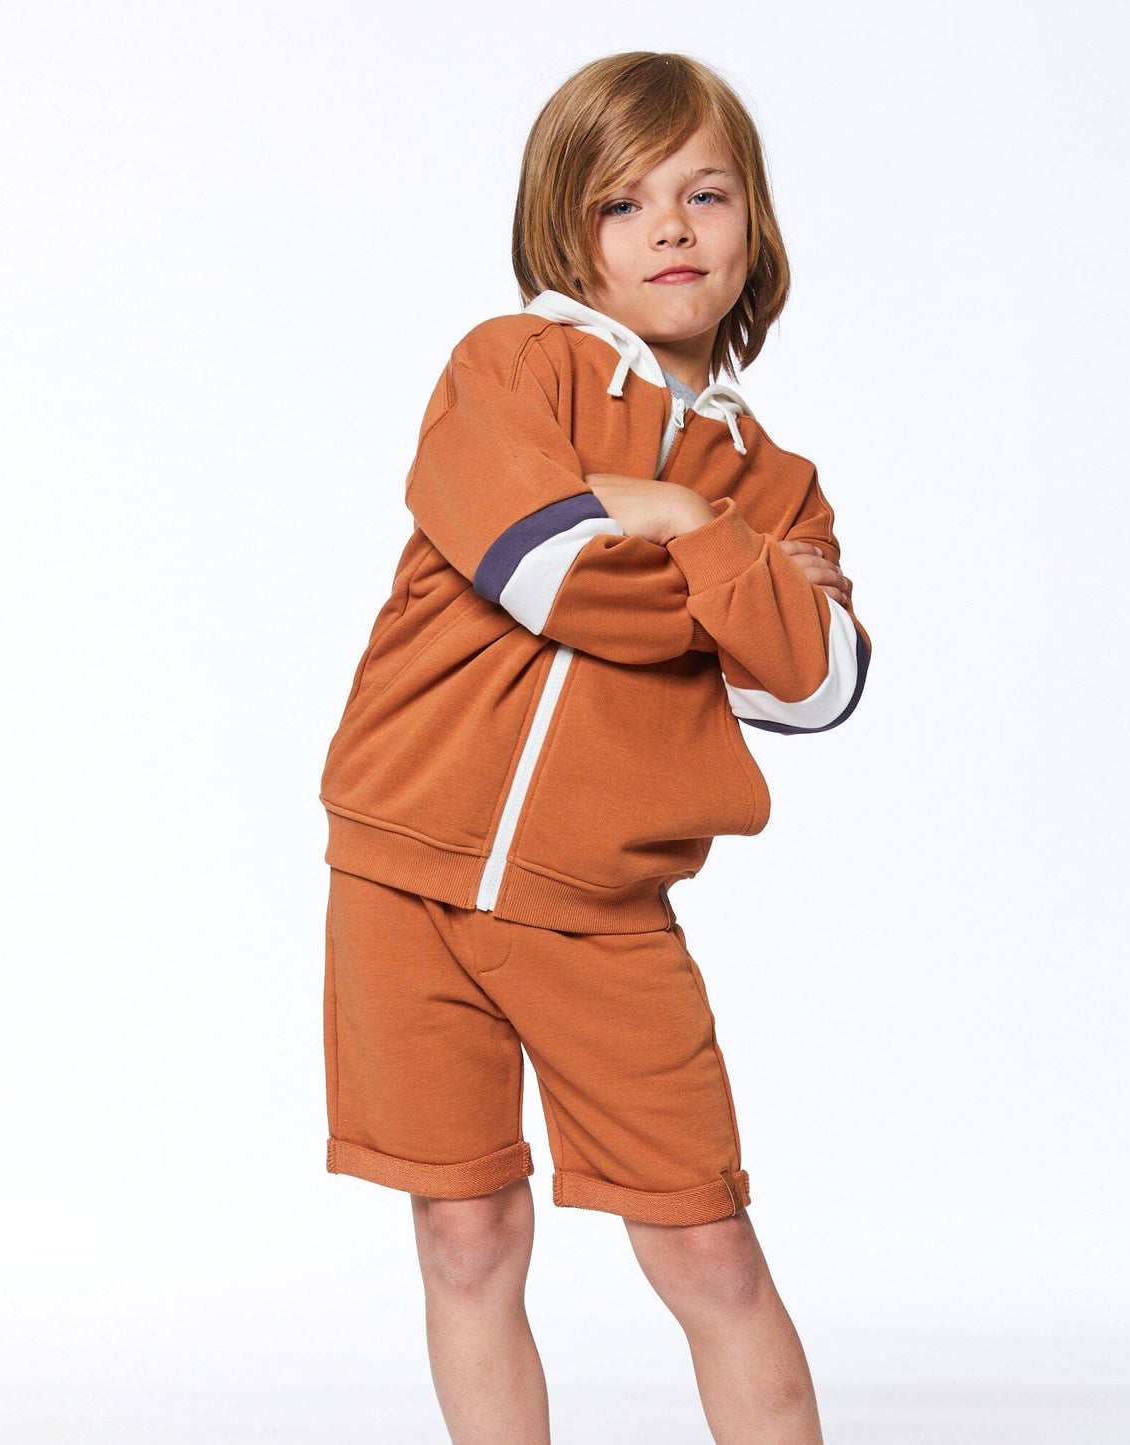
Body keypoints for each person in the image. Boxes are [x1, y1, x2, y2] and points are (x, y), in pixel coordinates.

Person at [318, 50, 872, 1445]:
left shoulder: (772, 483)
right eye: (624, 203)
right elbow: (543, 569)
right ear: (568, 233)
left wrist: (689, 521)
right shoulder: (507, 366)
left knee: (707, 1248)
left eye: (704, 194)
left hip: (603, 913)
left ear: (753, 223)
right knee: (465, 1234)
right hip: (399, 872)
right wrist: (728, 587)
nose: (669, 228)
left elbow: (818, 686)